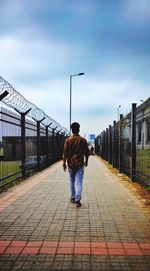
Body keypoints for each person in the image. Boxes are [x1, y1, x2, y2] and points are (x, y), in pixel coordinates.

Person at [63, 122, 89, 207]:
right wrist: (86, 161)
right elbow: (87, 152)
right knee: (79, 182)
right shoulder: (83, 140)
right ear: (79, 129)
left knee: (71, 181)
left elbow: (65, 153)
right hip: (79, 164)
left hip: (70, 164)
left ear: (72, 130)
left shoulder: (68, 140)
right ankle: (78, 199)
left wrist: (64, 163)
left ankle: (72, 197)